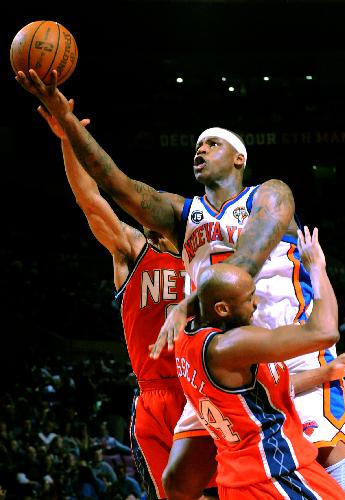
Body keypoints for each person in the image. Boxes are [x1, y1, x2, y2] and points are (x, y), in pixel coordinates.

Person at [15, 69, 345, 497]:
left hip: (290, 348)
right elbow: (114, 183)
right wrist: (68, 126)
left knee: (327, 475)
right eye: (197, 145)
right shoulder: (180, 214)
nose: (201, 149)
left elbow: (243, 265)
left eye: (213, 143)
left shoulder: (270, 194)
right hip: (221, 368)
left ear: (239, 159)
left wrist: (187, 303)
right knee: (179, 482)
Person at [36, 101, 188, 500]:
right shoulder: (133, 248)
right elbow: (90, 200)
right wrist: (69, 138)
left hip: (202, 387)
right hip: (155, 392)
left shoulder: (203, 257)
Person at [173, 226, 345, 499]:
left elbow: (263, 394)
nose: (256, 303)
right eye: (248, 298)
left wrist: (327, 371)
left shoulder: (189, 338)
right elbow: (325, 332)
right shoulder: (230, 346)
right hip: (275, 473)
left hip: (238, 477)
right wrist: (316, 267)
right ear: (222, 308)